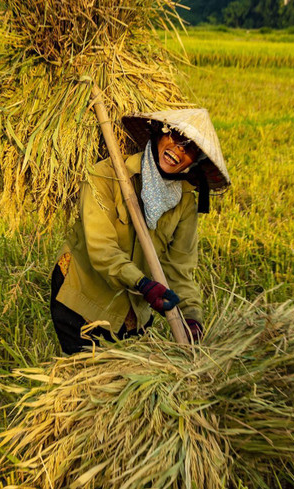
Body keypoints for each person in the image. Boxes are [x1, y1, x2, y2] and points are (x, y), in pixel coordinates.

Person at [50, 109, 231, 355]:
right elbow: (102, 249)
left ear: (196, 161)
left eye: (190, 148)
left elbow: (180, 267)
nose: (178, 149)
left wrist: (191, 317)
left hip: (135, 311)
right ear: (158, 134)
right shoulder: (105, 175)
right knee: (87, 372)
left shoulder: (185, 199)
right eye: (175, 136)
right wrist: (143, 284)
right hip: (85, 296)